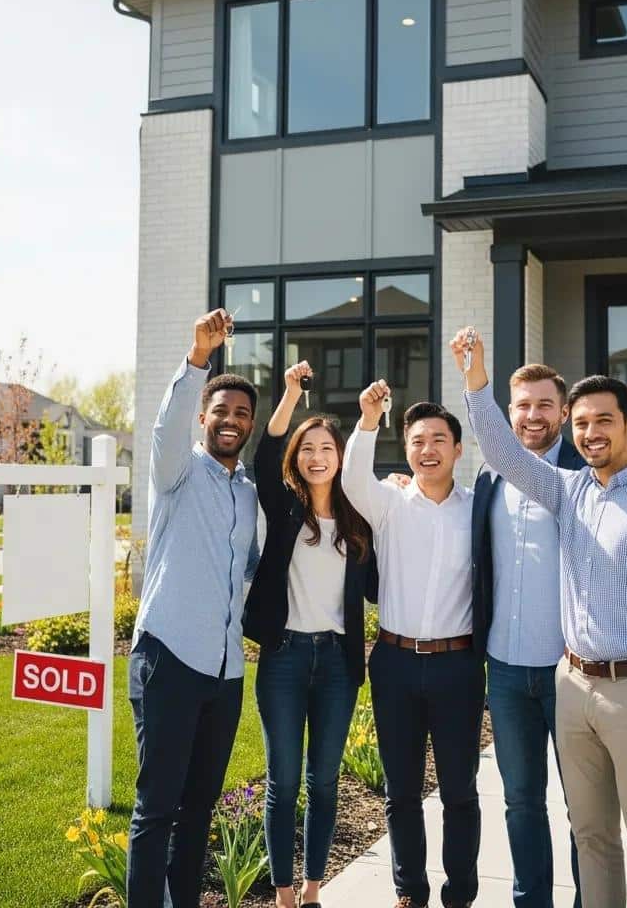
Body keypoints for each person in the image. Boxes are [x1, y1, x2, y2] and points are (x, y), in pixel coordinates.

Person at [389, 363, 627, 908]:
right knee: (533, 807)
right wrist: (475, 381)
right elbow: (500, 458)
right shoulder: (511, 484)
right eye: (522, 406)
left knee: (619, 828)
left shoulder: (624, 487)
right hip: (519, 672)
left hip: (593, 676)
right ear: (511, 414)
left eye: (600, 420)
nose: (589, 430)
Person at [127, 308, 259, 908]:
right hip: (170, 658)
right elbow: (164, 428)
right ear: (204, 418)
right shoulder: (176, 473)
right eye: (221, 412)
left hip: (226, 672)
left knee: (200, 807)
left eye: (241, 415)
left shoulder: (248, 492)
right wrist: (198, 357)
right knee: (157, 808)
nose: (230, 421)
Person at [342, 383, 484, 908]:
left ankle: (460, 894)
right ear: (406, 450)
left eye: (438, 440)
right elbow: (352, 478)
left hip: (458, 666)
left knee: (460, 793)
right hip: (395, 663)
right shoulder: (389, 504)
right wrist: (368, 418)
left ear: (457, 450)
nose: (428, 449)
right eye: (418, 441)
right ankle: (410, 891)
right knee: (400, 791)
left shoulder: (478, 509)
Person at [243, 361, 378, 908]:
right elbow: (265, 452)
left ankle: (315, 888)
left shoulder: (357, 520)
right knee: (283, 781)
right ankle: (283, 895)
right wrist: (291, 395)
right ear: (298, 459)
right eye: (308, 449)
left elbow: (374, 587)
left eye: (326, 448)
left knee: (323, 782)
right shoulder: (284, 509)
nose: (316, 456)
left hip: (339, 665)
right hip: (285, 658)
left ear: (339, 457)